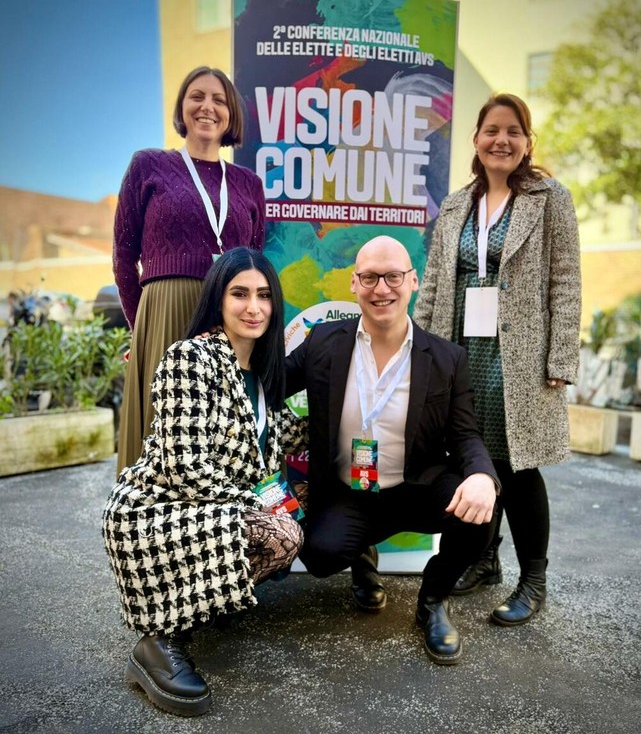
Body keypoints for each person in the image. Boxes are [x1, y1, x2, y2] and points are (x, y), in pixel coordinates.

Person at [102, 248, 306, 716]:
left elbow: (278, 436)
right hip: (158, 507)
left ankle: (201, 605)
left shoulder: (260, 371)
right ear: (218, 299)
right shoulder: (190, 358)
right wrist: (260, 507)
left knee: (304, 505)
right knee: (282, 532)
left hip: (210, 505)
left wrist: (346, 416)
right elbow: (183, 466)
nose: (253, 307)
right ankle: (158, 641)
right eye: (240, 294)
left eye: (264, 295)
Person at [285, 235, 500, 666]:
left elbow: (465, 434)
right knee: (320, 555)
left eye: (393, 277)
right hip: (349, 492)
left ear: (413, 281)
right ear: (353, 283)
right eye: (369, 277)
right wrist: (225, 346)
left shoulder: (447, 358)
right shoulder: (322, 341)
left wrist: (482, 476)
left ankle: (432, 601)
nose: (381, 288)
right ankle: (361, 555)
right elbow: (272, 381)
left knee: (482, 510)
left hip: (416, 488)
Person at [413, 93, 581, 626]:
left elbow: (566, 281)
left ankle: (533, 579)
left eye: (513, 131)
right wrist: (422, 350)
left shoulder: (549, 199)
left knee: (518, 465)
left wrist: (561, 357)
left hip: (521, 355)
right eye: (491, 130)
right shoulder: (456, 205)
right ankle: (484, 559)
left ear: (527, 142)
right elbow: (435, 282)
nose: (501, 140)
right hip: (463, 349)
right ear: (476, 139)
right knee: (473, 459)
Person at [113, 65, 265, 473]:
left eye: (219, 100)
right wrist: (142, 327)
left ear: (231, 113)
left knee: (224, 428)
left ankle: (221, 512)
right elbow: (123, 255)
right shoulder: (149, 165)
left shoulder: (248, 183)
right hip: (167, 309)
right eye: (197, 96)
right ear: (182, 108)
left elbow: (255, 262)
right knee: (164, 431)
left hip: (229, 315)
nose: (207, 107)